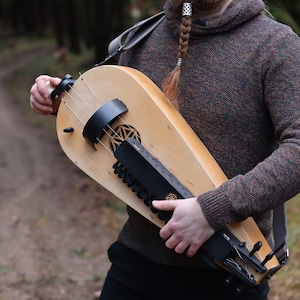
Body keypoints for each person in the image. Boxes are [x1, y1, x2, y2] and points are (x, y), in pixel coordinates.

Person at [30, 0, 300, 299]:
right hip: (136, 264)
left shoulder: (277, 45)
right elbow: (115, 120)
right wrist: (62, 102)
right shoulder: (140, 37)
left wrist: (211, 210)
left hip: (228, 274)